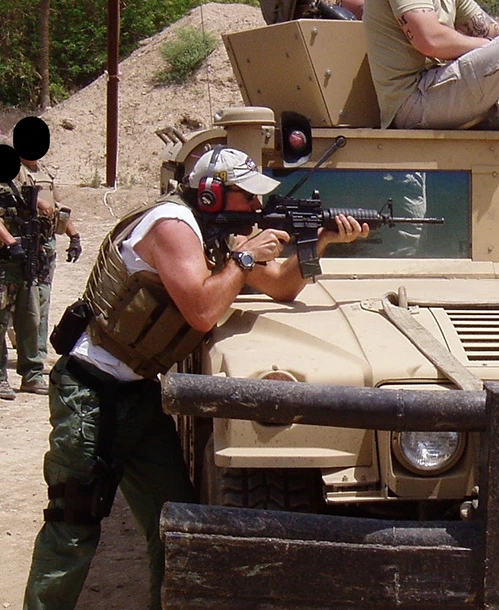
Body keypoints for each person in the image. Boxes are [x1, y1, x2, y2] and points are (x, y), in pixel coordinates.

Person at [22, 147, 367, 610]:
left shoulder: (215, 234)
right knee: (73, 527)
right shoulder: (172, 225)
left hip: (137, 393)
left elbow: (281, 286)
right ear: (210, 195)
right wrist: (243, 259)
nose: (257, 206)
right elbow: (203, 311)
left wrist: (319, 242)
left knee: (175, 525)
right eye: (247, 197)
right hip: (91, 392)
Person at [364, 0, 499, 131]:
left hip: (439, 90)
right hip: (413, 102)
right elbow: (430, 41)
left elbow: (495, 32)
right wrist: (498, 50)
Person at [0, 153, 82, 400]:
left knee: (30, 318)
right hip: (6, 261)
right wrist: (11, 243)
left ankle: (32, 375)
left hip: (28, 259)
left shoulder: (25, 185)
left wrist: (74, 236)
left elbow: (55, 208)